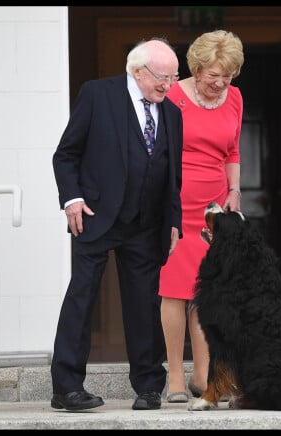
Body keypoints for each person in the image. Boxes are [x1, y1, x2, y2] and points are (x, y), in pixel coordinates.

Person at [51, 38, 183, 411]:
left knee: (144, 304)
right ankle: (66, 387)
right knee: (82, 296)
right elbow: (66, 154)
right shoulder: (97, 94)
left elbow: (173, 175)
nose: (169, 85)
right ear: (138, 71)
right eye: (163, 77)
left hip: (146, 222)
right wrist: (72, 198)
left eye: (174, 78)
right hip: (96, 215)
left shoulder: (171, 111)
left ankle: (148, 385)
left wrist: (173, 221)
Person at [159, 30, 244, 403]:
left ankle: (203, 374)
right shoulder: (173, 95)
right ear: (195, 67)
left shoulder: (235, 98)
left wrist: (235, 192)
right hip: (175, 205)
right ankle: (175, 376)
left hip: (214, 209)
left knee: (206, 291)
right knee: (174, 291)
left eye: (227, 76)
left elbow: (233, 152)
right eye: (213, 75)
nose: (220, 83)